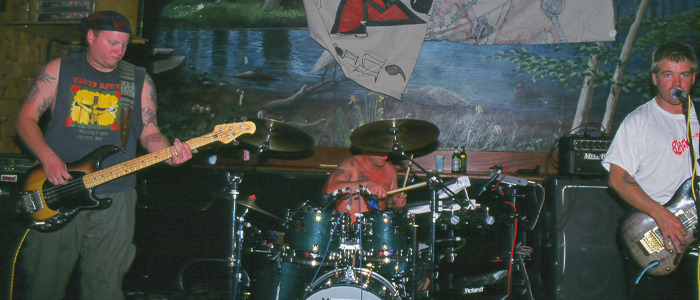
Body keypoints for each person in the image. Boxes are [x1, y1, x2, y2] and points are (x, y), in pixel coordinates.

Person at [14, 11, 193, 300]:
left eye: (123, 45)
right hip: (57, 189)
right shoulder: (60, 68)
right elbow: (25, 118)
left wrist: (169, 155)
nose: (118, 51)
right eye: (111, 43)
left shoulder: (137, 79)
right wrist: (47, 157)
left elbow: (149, 132)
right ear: (90, 37)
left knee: (105, 287)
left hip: (117, 194)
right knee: (43, 285)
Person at [602, 41, 698, 299]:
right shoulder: (639, 121)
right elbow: (618, 178)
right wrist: (663, 216)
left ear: (694, 78)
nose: (677, 82)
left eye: (684, 74)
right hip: (657, 237)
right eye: (668, 74)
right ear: (655, 78)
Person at [324, 153, 408, 221]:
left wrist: (396, 203)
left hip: (377, 233)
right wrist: (367, 184)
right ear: (367, 148)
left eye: (387, 152)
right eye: (380, 152)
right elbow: (330, 189)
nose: (385, 156)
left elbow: (390, 205)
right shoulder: (350, 164)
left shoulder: (390, 170)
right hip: (348, 233)